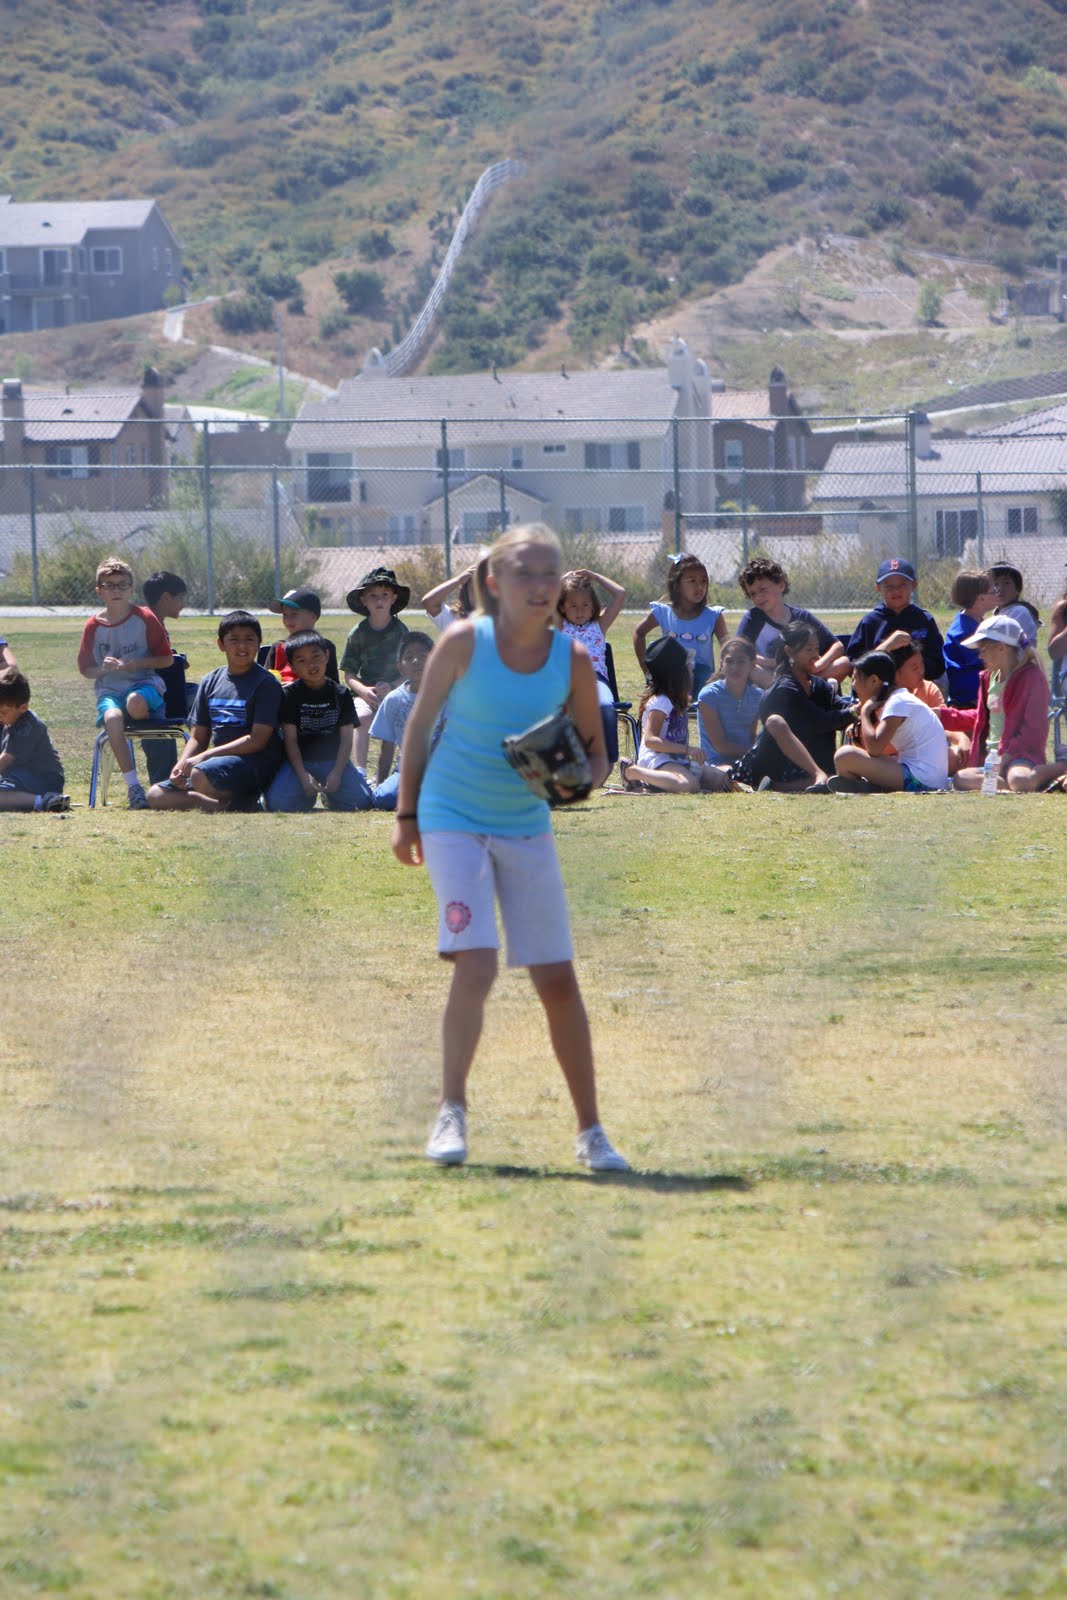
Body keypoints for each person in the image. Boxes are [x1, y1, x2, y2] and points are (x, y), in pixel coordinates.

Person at [391, 523, 628, 1173]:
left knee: (557, 979)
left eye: (551, 572)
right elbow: (418, 727)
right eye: (525, 572)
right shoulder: (464, 641)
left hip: (525, 823)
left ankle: (591, 1132)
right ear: (494, 582)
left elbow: (597, 751)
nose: (541, 585)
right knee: (476, 965)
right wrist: (406, 816)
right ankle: (451, 1109)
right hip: (451, 816)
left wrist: (575, 783)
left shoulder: (571, 658)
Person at [146, 610, 283, 812]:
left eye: (249, 639)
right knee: (156, 795)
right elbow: (198, 737)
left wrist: (205, 757)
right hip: (216, 766)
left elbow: (257, 741)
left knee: (199, 775)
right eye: (234, 640)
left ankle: (243, 797)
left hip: (255, 762)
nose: (242, 646)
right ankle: (223, 804)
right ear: (221, 644)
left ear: (258, 643)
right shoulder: (211, 680)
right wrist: (182, 764)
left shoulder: (266, 684)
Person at [77, 558, 173, 810]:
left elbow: (167, 659)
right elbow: (86, 669)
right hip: (110, 690)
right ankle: (133, 787)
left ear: (131, 589)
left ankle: (161, 771)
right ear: (99, 591)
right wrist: (102, 669)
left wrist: (135, 664)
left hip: (144, 684)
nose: (116, 590)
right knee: (112, 717)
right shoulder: (93, 626)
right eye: (109, 585)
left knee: (135, 703)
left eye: (122, 585)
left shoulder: (145, 618)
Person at [734, 620, 857, 792]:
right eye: (808, 649)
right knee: (776, 721)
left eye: (816, 648)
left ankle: (820, 779)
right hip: (778, 765)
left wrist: (862, 709)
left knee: (837, 777)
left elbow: (841, 706)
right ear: (789, 651)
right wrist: (855, 712)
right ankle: (783, 783)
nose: (816, 655)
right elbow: (819, 721)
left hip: (809, 762)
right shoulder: (785, 688)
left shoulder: (818, 685)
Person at [264, 631, 373, 813]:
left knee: (362, 802)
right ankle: (307, 794)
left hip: (333, 760)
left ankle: (330, 796)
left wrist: (337, 772)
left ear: (327, 656)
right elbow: (290, 739)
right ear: (292, 666)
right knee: (278, 803)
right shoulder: (289, 695)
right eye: (302, 660)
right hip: (300, 762)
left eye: (316, 656)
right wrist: (303, 777)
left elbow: (347, 739)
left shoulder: (341, 694)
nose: (311, 664)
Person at [953, 614, 1062, 792]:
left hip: (1021, 756)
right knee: (961, 778)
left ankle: (1061, 767)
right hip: (993, 759)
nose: (980, 656)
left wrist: (1005, 759)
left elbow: (1033, 731)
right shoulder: (988, 678)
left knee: (1019, 779)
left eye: (983, 650)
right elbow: (980, 718)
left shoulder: (1032, 677)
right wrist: (945, 715)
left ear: (1001, 647)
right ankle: (1007, 785)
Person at [621, 635, 729, 794]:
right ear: (677, 674)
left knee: (720, 779)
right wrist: (687, 750)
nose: (692, 668)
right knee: (689, 786)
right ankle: (632, 772)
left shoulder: (677, 699)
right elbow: (650, 740)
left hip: (676, 758)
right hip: (657, 759)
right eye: (688, 666)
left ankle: (665, 781)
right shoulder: (661, 702)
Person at [831, 651, 950, 793]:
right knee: (847, 757)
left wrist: (865, 713)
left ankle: (865, 786)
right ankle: (866, 786)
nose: (854, 686)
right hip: (920, 773)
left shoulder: (898, 702)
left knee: (844, 756)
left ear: (874, 680)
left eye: (855, 679)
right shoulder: (898, 699)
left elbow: (874, 749)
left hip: (923, 780)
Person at [736, 555, 846, 687]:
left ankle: (806, 688)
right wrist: (772, 662)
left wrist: (817, 665)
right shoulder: (752, 619)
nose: (758, 597)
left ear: (781, 585)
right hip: (772, 679)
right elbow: (739, 652)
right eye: (752, 593)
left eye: (762, 589)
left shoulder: (802, 617)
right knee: (751, 668)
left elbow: (838, 646)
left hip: (804, 675)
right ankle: (786, 690)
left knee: (844, 663)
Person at [341, 566, 411, 774]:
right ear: (363, 600)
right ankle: (361, 772)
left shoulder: (401, 632)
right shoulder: (358, 633)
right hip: (367, 694)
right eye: (372, 595)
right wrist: (364, 691)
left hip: (397, 691)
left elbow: (410, 672)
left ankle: (400, 770)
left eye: (385, 594)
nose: (379, 600)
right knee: (361, 718)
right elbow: (349, 674)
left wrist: (392, 687)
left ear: (394, 598)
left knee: (403, 718)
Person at [557, 567, 627, 767]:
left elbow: (620, 594)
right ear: (562, 607)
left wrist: (595, 577)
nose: (579, 610)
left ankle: (607, 760)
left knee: (605, 706)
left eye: (585, 605)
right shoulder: (560, 626)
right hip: (568, 682)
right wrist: (564, 579)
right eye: (573, 605)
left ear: (593, 606)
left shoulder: (599, 625)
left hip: (596, 681)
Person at [633, 552, 727, 695]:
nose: (700, 587)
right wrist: (647, 672)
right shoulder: (663, 613)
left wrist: (721, 673)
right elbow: (639, 633)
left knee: (702, 673)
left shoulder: (713, 616)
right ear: (676, 585)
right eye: (692, 581)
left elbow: (728, 647)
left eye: (703, 581)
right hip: (672, 682)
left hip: (702, 686)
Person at [846, 557, 945, 683]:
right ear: (878, 588)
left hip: (918, 686)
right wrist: (886, 647)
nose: (896, 591)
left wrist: (911, 668)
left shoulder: (924, 619)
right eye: (889, 586)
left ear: (913, 585)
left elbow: (939, 662)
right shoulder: (870, 621)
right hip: (880, 688)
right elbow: (854, 666)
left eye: (902, 585)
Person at [370, 631, 435, 811]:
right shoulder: (394, 700)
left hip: (442, 769)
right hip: (407, 769)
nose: (416, 661)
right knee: (384, 798)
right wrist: (380, 783)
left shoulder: (448, 695)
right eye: (409, 657)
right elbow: (387, 748)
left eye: (423, 656)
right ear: (400, 667)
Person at [141, 569, 192, 787]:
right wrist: (173, 662)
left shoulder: (154, 622)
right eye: (180, 598)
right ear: (165, 598)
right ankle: (164, 784)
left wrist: (174, 659)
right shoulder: (146, 623)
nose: (182, 604)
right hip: (148, 694)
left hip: (162, 688)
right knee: (200, 699)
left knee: (206, 695)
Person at [0, 667, 69, 812]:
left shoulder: (28, 726)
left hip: (43, 779)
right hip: (20, 777)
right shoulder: (8, 721)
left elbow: (5, 760)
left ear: (23, 707)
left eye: (3, 712)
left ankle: (45, 801)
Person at [697, 635, 763, 767]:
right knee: (728, 774)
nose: (734, 667)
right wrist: (757, 753)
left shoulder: (757, 696)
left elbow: (750, 736)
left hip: (745, 759)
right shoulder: (709, 695)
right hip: (715, 762)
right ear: (721, 664)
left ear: (752, 665)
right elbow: (721, 746)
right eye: (729, 661)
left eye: (741, 662)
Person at [260, 586, 340, 683]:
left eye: (294, 614)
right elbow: (264, 683)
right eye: (285, 615)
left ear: (313, 617)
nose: (288, 620)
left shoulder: (325, 647)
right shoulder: (278, 647)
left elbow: (332, 685)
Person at [943, 570, 996, 708]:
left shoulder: (973, 622)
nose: (997, 593)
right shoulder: (965, 632)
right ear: (980, 599)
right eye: (993, 591)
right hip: (969, 701)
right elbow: (990, 664)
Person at [989, 563, 1040, 648]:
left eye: (1007, 583)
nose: (1000, 588)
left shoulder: (1019, 612)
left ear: (1018, 589)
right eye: (995, 584)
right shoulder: (999, 611)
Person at [421, 565, 477, 634]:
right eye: (475, 588)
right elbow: (429, 602)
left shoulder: (490, 620)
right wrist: (458, 580)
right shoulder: (455, 620)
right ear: (466, 591)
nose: (481, 593)